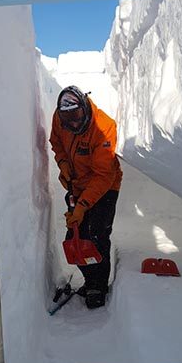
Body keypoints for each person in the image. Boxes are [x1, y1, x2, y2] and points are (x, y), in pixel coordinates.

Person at [49, 85, 122, 309]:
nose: (72, 123)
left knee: (97, 234)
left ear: (84, 108)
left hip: (106, 185)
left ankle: (97, 286)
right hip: (77, 185)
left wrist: (82, 207)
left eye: (76, 117)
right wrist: (63, 164)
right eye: (67, 118)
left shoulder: (104, 126)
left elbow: (103, 175)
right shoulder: (61, 119)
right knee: (76, 237)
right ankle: (89, 277)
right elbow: (56, 143)